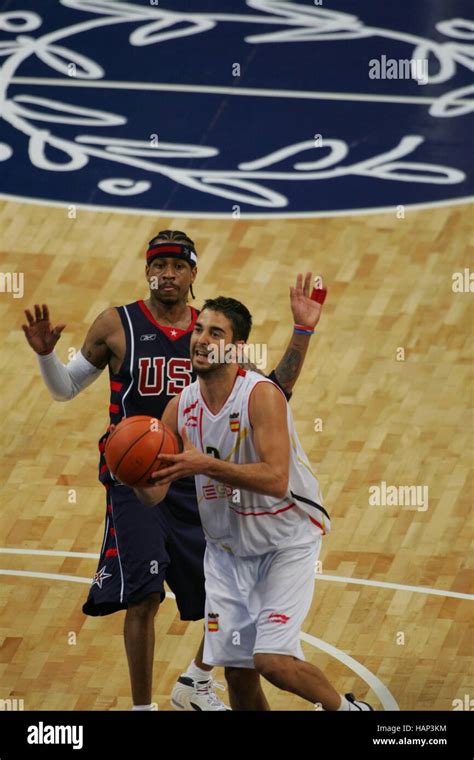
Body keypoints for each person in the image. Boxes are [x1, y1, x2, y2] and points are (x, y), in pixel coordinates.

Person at [22, 230, 324, 711]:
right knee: (142, 593)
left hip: (200, 477)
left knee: (222, 599)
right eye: (158, 265)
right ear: (146, 271)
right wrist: (44, 356)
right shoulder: (115, 325)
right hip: (137, 472)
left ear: (192, 274)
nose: (167, 274)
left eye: (177, 266)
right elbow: (64, 390)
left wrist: (302, 334)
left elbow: (274, 391)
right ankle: (144, 708)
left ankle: (195, 682)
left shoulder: (211, 333)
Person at [133, 297, 374, 711]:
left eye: (216, 333)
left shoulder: (260, 396)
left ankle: (349, 710)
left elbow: (277, 479)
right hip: (227, 554)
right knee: (238, 674)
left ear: (238, 347)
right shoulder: (180, 407)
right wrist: (132, 473)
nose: (202, 340)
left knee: (272, 662)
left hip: (285, 544)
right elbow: (154, 494)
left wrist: (204, 464)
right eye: (199, 330)